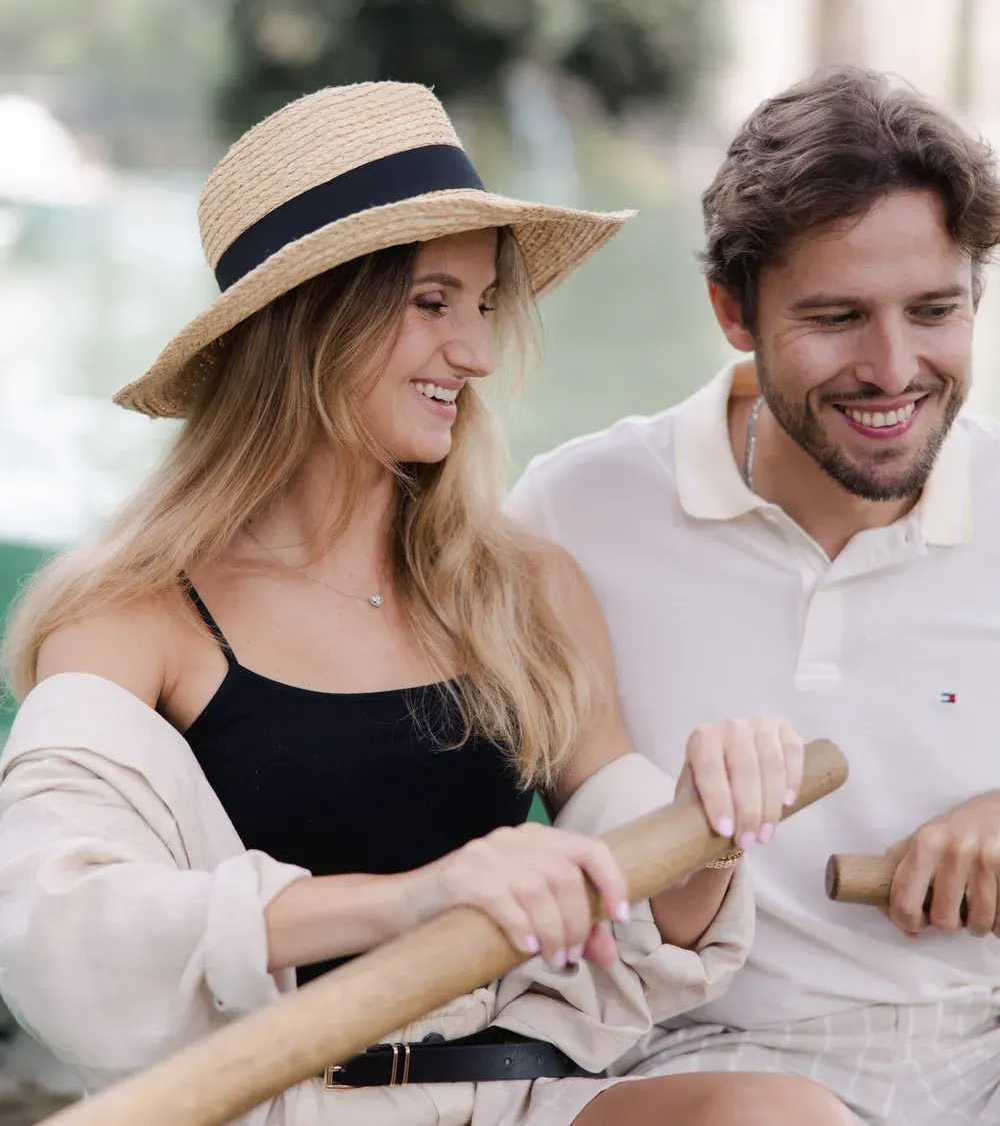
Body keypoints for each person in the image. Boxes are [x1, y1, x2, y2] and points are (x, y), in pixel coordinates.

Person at [0, 82, 848, 1126]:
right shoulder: (130, 614)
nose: (478, 354)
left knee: (777, 1111)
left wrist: (708, 825)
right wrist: (420, 896)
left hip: (516, 1098)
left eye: (483, 305)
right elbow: (55, 921)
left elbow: (658, 923)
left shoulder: (524, 587)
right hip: (281, 1108)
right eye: (432, 302)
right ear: (309, 321)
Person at [508, 65, 1000, 1125]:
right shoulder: (569, 512)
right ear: (733, 311)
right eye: (835, 317)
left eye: (933, 310)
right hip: (691, 1063)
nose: (892, 369)